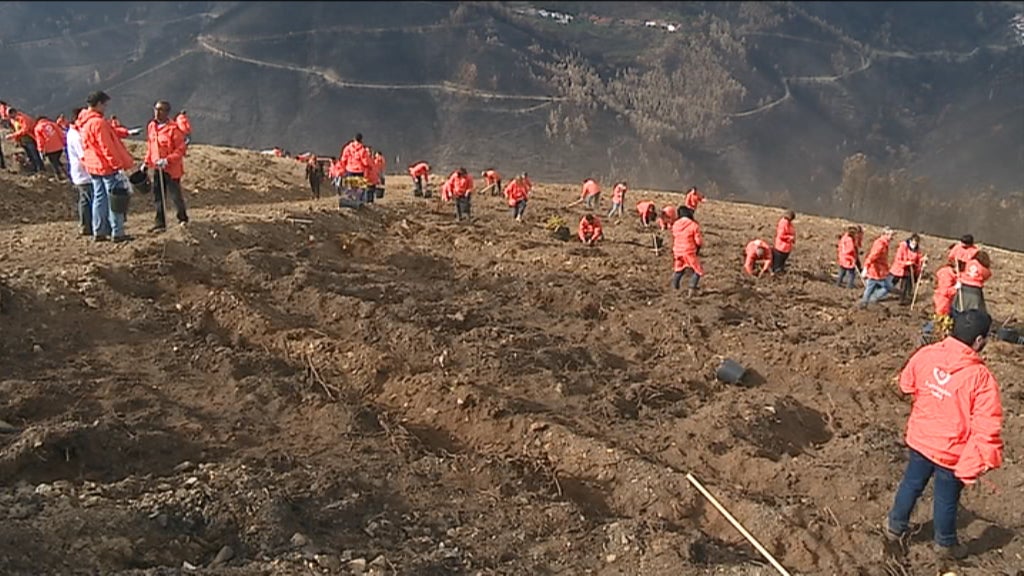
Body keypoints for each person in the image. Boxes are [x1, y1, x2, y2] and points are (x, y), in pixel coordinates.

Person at [886, 309, 1003, 563]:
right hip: (951, 452)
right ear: (979, 341)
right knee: (946, 498)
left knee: (911, 484)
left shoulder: (926, 354)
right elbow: (987, 426)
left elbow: (906, 384)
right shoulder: (981, 379)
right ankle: (945, 544)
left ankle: (895, 526)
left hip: (920, 439)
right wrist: (979, 461)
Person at [78, 91, 136, 242]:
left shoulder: (84, 123)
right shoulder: (99, 123)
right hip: (106, 166)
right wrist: (117, 165)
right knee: (115, 199)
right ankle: (117, 231)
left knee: (99, 198)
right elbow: (107, 147)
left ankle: (99, 230)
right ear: (98, 104)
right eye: (104, 105)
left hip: (93, 165)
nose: (105, 108)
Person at [143, 100, 189, 232]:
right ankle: (160, 223)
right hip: (157, 167)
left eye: (161, 110)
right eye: (156, 109)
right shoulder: (151, 126)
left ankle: (182, 218)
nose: (157, 112)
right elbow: (151, 146)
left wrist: (167, 160)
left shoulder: (174, 129)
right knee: (158, 195)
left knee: (175, 195)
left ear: (167, 112)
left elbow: (180, 149)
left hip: (171, 169)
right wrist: (146, 162)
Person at [64, 107, 93, 236]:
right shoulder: (76, 136)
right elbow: (83, 156)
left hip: (80, 172)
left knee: (85, 199)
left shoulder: (73, 133)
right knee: (89, 199)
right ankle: (88, 225)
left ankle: (86, 225)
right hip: (84, 173)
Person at [859, 228, 895, 308]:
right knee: (886, 287)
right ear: (885, 234)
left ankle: (865, 301)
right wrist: (866, 268)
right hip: (876, 271)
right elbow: (872, 257)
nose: (892, 237)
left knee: (870, 288)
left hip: (878, 271)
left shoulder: (883, 243)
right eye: (891, 235)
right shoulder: (880, 245)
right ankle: (869, 300)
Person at [671, 207, 703, 296]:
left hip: (677, 251)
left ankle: (674, 287)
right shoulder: (693, 225)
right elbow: (698, 241)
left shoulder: (676, 224)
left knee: (679, 269)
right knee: (698, 270)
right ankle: (692, 288)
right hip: (689, 251)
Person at [889, 233, 926, 305]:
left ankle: (902, 299)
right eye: (913, 242)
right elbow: (898, 259)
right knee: (890, 284)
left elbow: (918, 259)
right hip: (899, 269)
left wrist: (922, 261)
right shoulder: (903, 246)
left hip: (908, 270)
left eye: (916, 243)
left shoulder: (917, 250)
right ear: (910, 241)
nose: (914, 244)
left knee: (905, 285)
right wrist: (906, 263)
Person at [5, 107, 45, 173]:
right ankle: (34, 168)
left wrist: (13, 135)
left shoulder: (23, 118)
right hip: (23, 141)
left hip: (29, 139)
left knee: (34, 155)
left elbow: (25, 130)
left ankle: (40, 169)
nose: (10, 117)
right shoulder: (14, 120)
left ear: (14, 112)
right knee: (30, 155)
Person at [32, 115, 66, 180]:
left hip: (49, 149)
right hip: (59, 147)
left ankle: (59, 175)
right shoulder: (53, 124)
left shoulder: (38, 128)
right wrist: (64, 143)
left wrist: (40, 150)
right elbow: (61, 133)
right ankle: (65, 171)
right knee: (56, 160)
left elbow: (40, 141)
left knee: (53, 162)